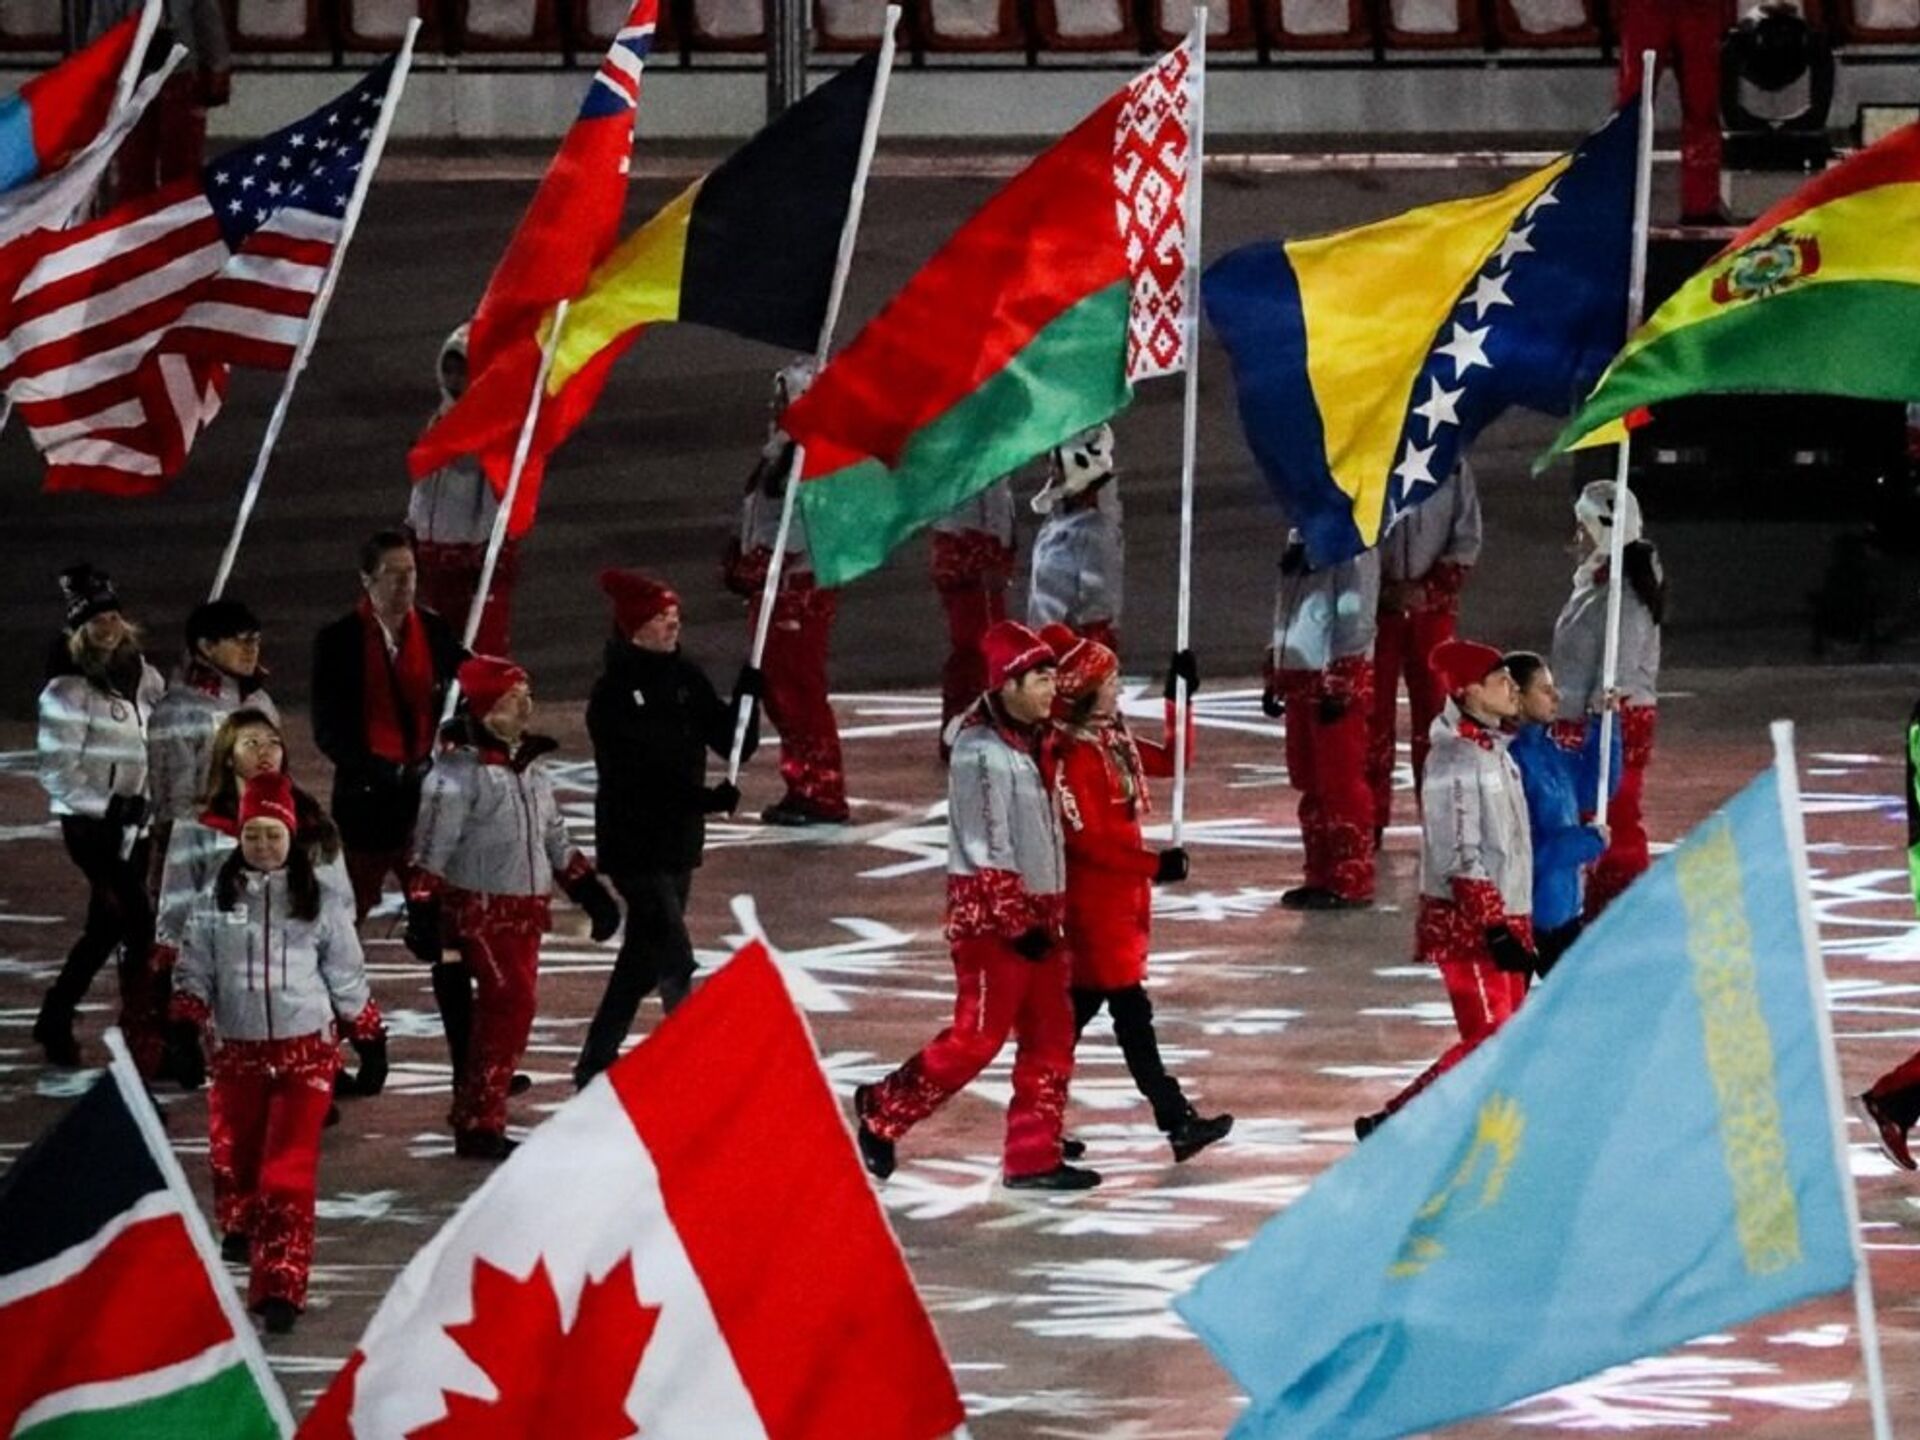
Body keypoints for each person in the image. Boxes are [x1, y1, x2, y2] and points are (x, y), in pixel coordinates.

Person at [854, 622, 1096, 1191]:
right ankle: (883, 1109)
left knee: (1051, 1035)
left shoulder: (1034, 737)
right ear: (1009, 683)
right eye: (1040, 678)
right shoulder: (981, 753)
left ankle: (1033, 1155)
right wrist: (1015, 923)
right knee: (977, 1038)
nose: (1050, 689)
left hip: (1041, 915)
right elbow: (987, 842)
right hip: (994, 925)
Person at [167, 772, 385, 1335]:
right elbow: (195, 968)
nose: (264, 846)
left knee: (287, 1171)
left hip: (305, 1054)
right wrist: (184, 1026)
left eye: (274, 835)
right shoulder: (216, 900)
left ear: (292, 837)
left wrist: (368, 1034)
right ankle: (240, 1221)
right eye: (254, 835)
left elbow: (346, 973)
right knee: (237, 1160)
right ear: (240, 836)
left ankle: (281, 1283)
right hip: (237, 1053)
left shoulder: (319, 902)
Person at [152, 708, 352, 1249]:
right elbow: (177, 903)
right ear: (226, 754)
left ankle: (282, 1254)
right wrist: (178, 994)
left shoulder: (311, 822)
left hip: (299, 1007)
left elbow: (337, 913)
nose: (264, 751)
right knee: (237, 1130)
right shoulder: (200, 825)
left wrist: (350, 1010)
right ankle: (239, 1218)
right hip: (231, 999)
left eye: (273, 741)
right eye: (249, 742)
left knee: (289, 1145)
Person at [406, 656, 620, 1158]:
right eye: (511, 697)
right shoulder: (457, 774)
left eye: (527, 693)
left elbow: (552, 836)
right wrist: (422, 908)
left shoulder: (530, 770)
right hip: (479, 910)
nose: (526, 705)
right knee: (511, 1005)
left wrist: (588, 890)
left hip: (522, 912)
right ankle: (480, 1118)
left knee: (508, 1010)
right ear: (483, 707)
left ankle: (479, 1104)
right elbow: (432, 846)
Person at [1043, 625, 1231, 1163]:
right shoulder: (1070, 755)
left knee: (1077, 1022)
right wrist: (1154, 865)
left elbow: (1176, 762)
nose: (1119, 688)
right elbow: (1087, 843)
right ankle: (1175, 1118)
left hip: (1122, 902)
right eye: (1112, 679)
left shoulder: (1110, 740)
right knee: (1128, 1016)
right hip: (1096, 905)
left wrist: (1179, 701)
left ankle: (1041, 1121)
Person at [575, 570, 759, 1088]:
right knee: (673, 950)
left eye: (674, 615)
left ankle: (595, 1060)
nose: (672, 623)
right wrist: (704, 799)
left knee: (642, 956)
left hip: (678, 843)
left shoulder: (685, 679)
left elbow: (733, 744)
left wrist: (749, 701)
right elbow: (640, 776)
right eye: (660, 617)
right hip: (634, 844)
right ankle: (696, 1054)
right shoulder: (611, 695)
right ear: (633, 628)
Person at [1359, 641, 1533, 1136]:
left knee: (1506, 1039)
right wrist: (1495, 925)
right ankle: (1397, 1120)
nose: (1511, 688)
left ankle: (1483, 1130)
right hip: (1471, 925)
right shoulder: (1455, 757)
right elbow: (1459, 849)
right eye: (1500, 680)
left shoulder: (1497, 751)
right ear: (1468, 690)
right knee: (1491, 1036)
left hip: (1507, 916)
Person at [34, 564, 167, 1073]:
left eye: (112, 614)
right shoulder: (68, 691)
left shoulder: (143, 676)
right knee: (138, 923)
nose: (108, 625)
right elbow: (56, 772)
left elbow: (156, 735)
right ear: (79, 629)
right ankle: (143, 1034)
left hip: (140, 821)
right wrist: (111, 805)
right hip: (94, 830)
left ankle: (56, 1014)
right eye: (96, 619)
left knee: (106, 927)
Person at [311, 531, 467, 922]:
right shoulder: (338, 641)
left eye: (411, 571)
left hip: (426, 796)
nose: (405, 583)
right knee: (350, 907)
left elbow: (468, 681)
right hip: (367, 799)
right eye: (392, 573)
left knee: (440, 914)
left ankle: (447, 974)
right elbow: (328, 729)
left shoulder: (434, 630)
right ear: (367, 578)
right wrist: (379, 770)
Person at [724, 361, 849, 826]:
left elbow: (804, 527)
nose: (774, 406)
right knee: (780, 693)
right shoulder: (782, 452)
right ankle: (803, 782)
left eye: (783, 398)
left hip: (795, 589)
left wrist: (757, 562)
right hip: (775, 586)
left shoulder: (810, 458)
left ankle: (823, 792)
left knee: (799, 693)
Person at [1550, 480, 1664, 919]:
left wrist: (1600, 720)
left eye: (1582, 527)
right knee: (1591, 815)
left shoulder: (1625, 593)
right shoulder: (1595, 583)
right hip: (1586, 720)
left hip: (1611, 721)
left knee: (1614, 815)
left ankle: (1625, 910)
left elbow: (1619, 663)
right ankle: (1599, 902)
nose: (1575, 538)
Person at [1263, 534, 1380, 910]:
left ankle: (1351, 878)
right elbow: (1286, 611)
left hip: (1333, 678)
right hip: (1301, 674)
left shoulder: (1352, 540)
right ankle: (1319, 873)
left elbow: (1356, 616)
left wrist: (1341, 680)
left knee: (1340, 783)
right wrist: (1275, 669)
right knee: (1309, 780)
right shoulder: (1302, 538)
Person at [1368, 464, 1481, 841]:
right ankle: (1367, 818)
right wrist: (1377, 587)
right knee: (1370, 711)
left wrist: (1430, 590)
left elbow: (1467, 537)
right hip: (1374, 611)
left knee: (1437, 716)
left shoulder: (1450, 458)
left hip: (1431, 613)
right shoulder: (1368, 446)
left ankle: (1440, 817)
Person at [1502, 652, 1619, 976]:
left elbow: (1594, 787)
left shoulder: (1549, 753)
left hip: (1563, 916)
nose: (1556, 697)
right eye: (1544, 689)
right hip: (1526, 920)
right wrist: (1585, 842)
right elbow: (1524, 853)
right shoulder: (1511, 763)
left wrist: (1604, 725)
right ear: (1517, 697)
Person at [407, 325, 518, 656]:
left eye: (463, 371)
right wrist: (412, 529)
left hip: (470, 566)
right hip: (433, 560)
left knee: (478, 651)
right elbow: (424, 489)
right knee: (437, 650)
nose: (454, 379)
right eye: (449, 369)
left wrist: (485, 557)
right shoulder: (439, 420)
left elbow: (496, 499)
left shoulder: (490, 426)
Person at [147, 598, 277, 879]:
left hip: (257, 841)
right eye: (240, 641)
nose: (251, 650)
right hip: (203, 847)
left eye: (255, 640)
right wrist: (183, 858)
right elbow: (174, 797)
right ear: (206, 647)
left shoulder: (260, 702)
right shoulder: (178, 711)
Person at [88, 0, 230, 204]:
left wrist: (217, 66)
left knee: (182, 166)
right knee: (133, 166)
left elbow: (208, 19)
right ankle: (136, 228)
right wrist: (99, 76)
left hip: (179, 75)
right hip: (132, 77)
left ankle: (179, 225)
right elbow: (101, 29)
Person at [1616, 0, 1734, 226]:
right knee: (1632, 105)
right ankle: (1620, 198)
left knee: (1703, 105)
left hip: (1701, 9)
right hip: (1645, 7)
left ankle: (1701, 207)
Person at [931, 479, 1016, 754]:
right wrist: (994, 553)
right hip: (974, 548)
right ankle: (977, 729)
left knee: (969, 647)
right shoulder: (983, 443)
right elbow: (993, 497)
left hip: (954, 543)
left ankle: (960, 728)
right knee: (985, 648)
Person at [1028, 425, 1123, 653]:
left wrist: (1090, 654)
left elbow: (1098, 604)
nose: (1052, 471)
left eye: (1057, 465)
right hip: (1049, 646)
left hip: (1068, 650)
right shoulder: (1062, 516)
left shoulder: (1094, 526)